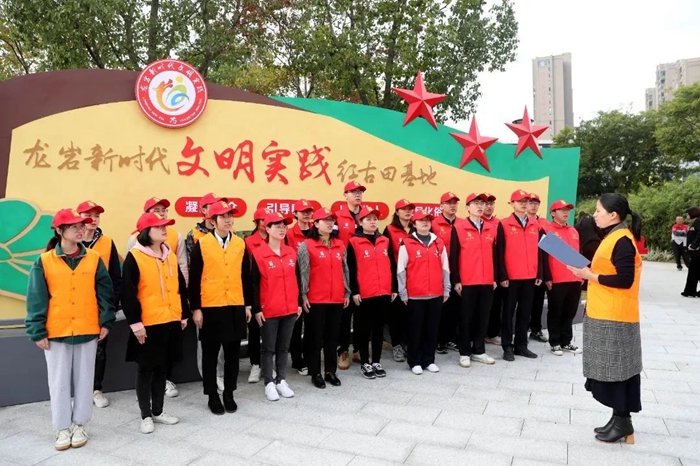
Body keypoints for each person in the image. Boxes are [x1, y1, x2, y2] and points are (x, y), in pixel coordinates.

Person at [25, 209, 116, 451]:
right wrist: (37, 330)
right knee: (59, 383)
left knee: (85, 381)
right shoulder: (44, 261)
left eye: (82, 225)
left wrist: (106, 321)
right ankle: (62, 427)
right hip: (56, 332)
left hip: (88, 328)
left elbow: (105, 294)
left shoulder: (94, 258)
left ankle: (81, 424)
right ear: (59, 230)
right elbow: (36, 298)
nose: (80, 230)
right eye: (74, 226)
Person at [568, 193, 643, 444]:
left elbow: (624, 279)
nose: (595, 215)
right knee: (613, 369)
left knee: (616, 370)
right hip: (606, 312)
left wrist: (589, 276)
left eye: (598, 210)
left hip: (615, 316)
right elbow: (608, 270)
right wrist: (586, 270)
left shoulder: (622, 240)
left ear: (613, 215)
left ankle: (622, 422)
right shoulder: (613, 236)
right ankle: (619, 419)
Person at [122, 212, 189, 434]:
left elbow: (180, 286)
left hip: (170, 320)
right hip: (148, 324)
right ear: (145, 232)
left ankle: (158, 411)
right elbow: (128, 293)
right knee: (146, 369)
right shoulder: (135, 257)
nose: (164, 229)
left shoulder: (170, 255)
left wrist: (183, 314)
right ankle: (145, 415)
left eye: (165, 226)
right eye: (159, 226)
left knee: (162, 368)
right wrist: (136, 324)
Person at [188, 201, 252, 415]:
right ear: (212, 221)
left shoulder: (240, 244)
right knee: (210, 354)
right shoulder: (202, 244)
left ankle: (229, 393)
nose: (228, 220)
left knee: (233, 354)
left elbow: (246, 276)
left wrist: (248, 304)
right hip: (210, 306)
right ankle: (212, 395)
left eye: (230, 216)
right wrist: (196, 308)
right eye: (223, 216)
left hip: (235, 304)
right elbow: (194, 278)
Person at [251, 212, 302, 401]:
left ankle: (281, 380)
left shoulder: (291, 252)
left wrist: (298, 303)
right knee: (268, 348)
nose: (282, 229)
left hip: (289, 308)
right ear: (267, 228)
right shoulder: (258, 254)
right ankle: (269, 383)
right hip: (269, 309)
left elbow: (297, 278)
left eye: (284, 226)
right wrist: (257, 308)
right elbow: (254, 284)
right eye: (278, 226)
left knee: (283, 347)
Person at [76, 200, 122, 409]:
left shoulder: (107, 243)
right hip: (74, 306)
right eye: (88, 215)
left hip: (99, 306)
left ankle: (96, 389)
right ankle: (77, 390)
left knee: (99, 349)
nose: (93, 219)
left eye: (97, 216)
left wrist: (111, 305)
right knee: (75, 349)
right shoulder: (70, 241)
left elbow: (115, 277)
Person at [297, 208, 351, 389]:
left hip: (336, 299)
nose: (329, 223)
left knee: (332, 337)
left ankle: (330, 371)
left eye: (331, 220)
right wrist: (303, 295)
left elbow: (345, 270)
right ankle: (315, 372)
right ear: (316, 223)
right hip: (315, 299)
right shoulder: (306, 245)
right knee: (314, 338)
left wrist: (347, 292)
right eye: (325, 220)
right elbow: (303, 273)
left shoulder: (340, 244)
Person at [398, 210, 451, 374]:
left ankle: (429, 360)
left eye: (427, 220)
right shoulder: (406, 244)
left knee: (432, 329)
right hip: (415, 294)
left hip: (435, 293)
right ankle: (414, 361)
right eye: (421, 220)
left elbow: (445, 267)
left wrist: (446, 288)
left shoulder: (438, 243)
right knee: (416, 329)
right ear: (414, 224)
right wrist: (403, 292)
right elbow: (401, 270)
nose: (425, 223)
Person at [347, 207, 396, 379]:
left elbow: (392, 265)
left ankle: (376, 361)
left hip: (383, 292)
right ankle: (364, 362)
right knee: (363, 329)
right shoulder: (354, 241)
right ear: (360, 222)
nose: (373, 222)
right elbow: (350, 268)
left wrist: (393, 288)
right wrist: (354, 291)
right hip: (364, 293)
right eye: (368, 219)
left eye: (375, 219)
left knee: (378, 329)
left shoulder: (384, 240)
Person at [185, 192, 227, 392]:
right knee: (206, 340)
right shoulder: (194, 235)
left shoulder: (230, 235)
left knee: (223, 340)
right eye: (213, 205)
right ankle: (207, 376)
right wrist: (195, 304)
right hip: (205, 296)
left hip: (226, 296)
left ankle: (220, 374)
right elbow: (192, 271)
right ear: (203, 210)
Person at [450, 193, 497, 368]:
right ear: (468, 207)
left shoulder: (491, 228)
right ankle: (464, 352)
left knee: (483, 317)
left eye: (482, 204)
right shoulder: (459, 227)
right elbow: (454, 256)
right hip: (467, 281)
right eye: (476, 203)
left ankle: (479, 350)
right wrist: (456, 280)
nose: (480, 207)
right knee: (466, 318)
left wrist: (495, 278)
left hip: (487, 280)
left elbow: (495, 255)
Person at [496, 190, 543, 361]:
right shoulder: (504, 224)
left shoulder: (535, 224)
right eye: (520, 201)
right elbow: (499, 252)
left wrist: (540, 273)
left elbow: (540, 251)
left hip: (530, 276)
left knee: (525, 312)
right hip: (511, 278)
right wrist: (502, 276)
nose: (524, 204)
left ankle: (521, 345)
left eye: (526, 201)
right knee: (508, 313)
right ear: (512, 204)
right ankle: (507, 346)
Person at [541, 200, 583, 356]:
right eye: (561, 210)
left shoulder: (574, 231)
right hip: (557, 278)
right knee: (555, 311)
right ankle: (555, 342)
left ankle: (566, 341)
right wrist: (547, 276)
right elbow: (543, 257)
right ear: (553, 213)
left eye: (568, 210)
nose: (566, 212)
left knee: (570, 311)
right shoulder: (547, 229)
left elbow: (578, 253)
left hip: (574, 278)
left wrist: (582, 273)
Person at [335, 180, 365, 370]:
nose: (357, 195)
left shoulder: (367, 216)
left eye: (360, 192)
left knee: (362, 312)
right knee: (345, 315)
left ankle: (359, 349)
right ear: (345, 195)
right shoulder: (337, 217)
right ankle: (343, 350)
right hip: (343, 272)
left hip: (363, 271)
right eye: (353, 192)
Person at [383, 199, 414, 363]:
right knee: (396, 316)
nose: (407, 212)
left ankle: (410, 344)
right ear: (397, 212)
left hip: (415, 279)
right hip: (397, 279)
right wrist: (393, 285)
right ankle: (396, 345)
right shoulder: (389, 230)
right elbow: (386, 257)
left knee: (412, 315)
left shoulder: (417, 228)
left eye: (410, 209)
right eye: (404, 209)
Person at [287, 199, 314, 376]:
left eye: (309, 211)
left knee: (312, 324)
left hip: (315, 285)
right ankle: (297, 359)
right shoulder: (289, 234)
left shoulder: (316, 232)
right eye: (302, 211)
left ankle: (310, 356)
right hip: (295, 284)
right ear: (295, 214)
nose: (306, 214)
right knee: (296, 324)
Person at [243, 207, 270, 382]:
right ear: (256, 222)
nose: (267, 223)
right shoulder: (248, 241)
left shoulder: (276, 239)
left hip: (271, 290)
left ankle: (268, 365)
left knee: (269, 330)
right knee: (254, 329)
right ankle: (255, 364)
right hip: (254, 289)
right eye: (263, 220)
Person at [432, 192, 461, 354]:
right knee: (441, 307)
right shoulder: (434, 224)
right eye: (448, 203)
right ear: (441, 206)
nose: (452, 206)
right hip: (439, 272)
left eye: (455, 203)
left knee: (456, 307)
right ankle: (440, 340)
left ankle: (452, 338)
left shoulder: (463, 224)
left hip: (459, 272)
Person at [527, 193, 549, 344]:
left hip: (540, 268)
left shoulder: (544, 224)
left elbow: (548, 248)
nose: (533, 205)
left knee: (538, 302)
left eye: (536, 203)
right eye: (530, 202)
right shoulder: (521, 222)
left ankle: (536, 329)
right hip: (523, 270)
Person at [483, 193, 502, 346]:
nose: (489, 207)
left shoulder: (499, 223)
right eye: (486, 204)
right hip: (479, 270)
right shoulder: (474, 223)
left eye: (491, 204)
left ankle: (492, 333)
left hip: (497, 268)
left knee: (496, 304)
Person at [682, 207, 700, 297]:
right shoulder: (696, 221)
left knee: (693, 271)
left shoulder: (699, 221)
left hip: (697, 252)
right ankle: (690, 291)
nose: (687, 215)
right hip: (695, 252)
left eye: (688, 213)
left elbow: (699, 235)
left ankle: (689, 291)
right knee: (696, 271)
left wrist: (694, 246)